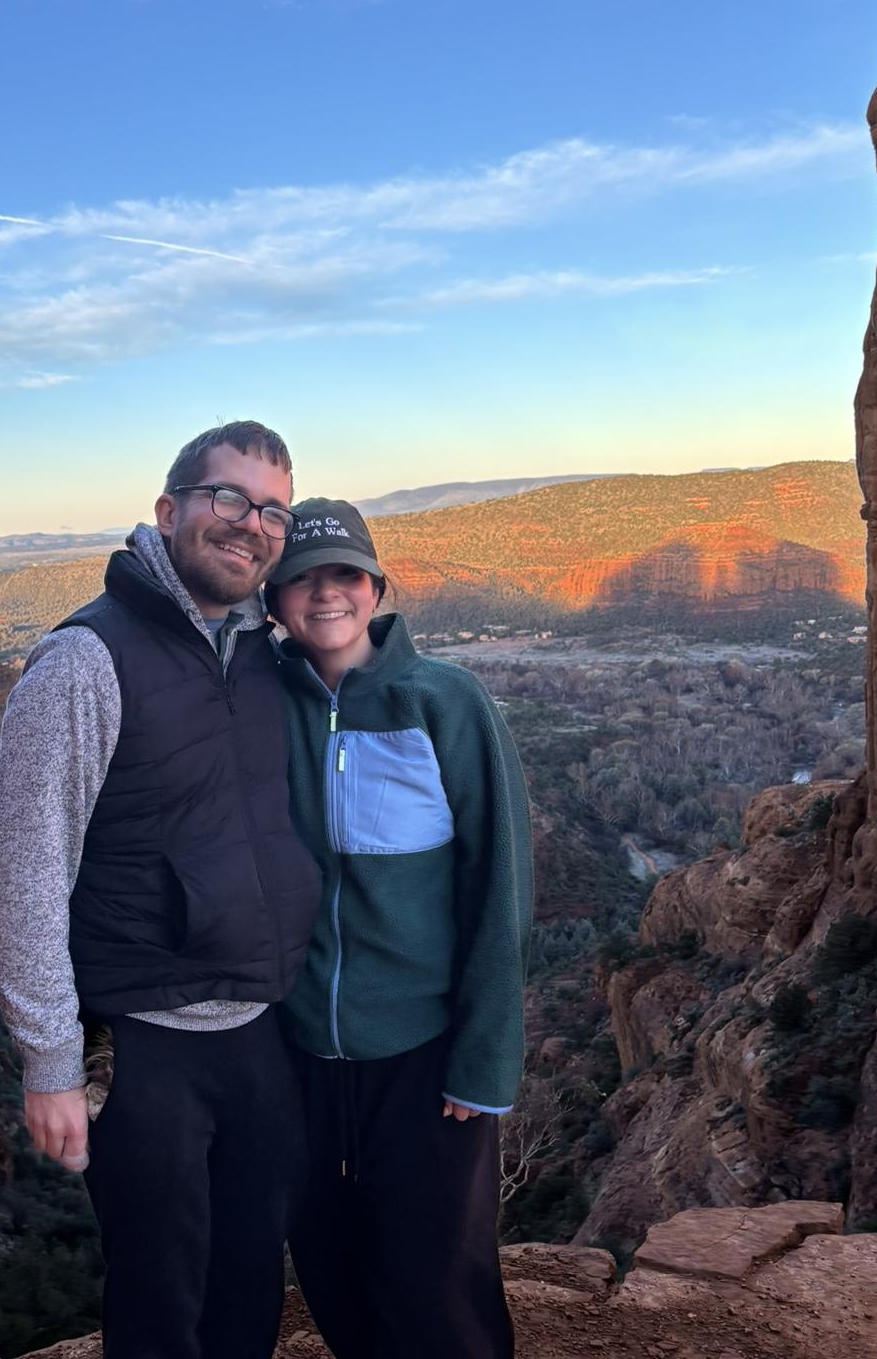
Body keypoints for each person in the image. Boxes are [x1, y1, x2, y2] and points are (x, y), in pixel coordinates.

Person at [0, 421, 322, 1359]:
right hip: (143, 1047)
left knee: (249, 1280)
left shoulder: (263, 653)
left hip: (259, 1029)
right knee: (161, 1300)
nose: (251, 524)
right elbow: (24, 871)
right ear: (169, 511)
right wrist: (51, 1062)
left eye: (274, 512)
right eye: (229, 498)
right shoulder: (85, 660)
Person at [265, 497, 533, 1359]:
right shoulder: (261, 704)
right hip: (301, 1055)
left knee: (438, 1281)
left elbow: (499, 883)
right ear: (274, 601)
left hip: (423, 1054)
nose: (326, 594)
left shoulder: (443, 702)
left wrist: (483, 1061)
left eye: (345, 574)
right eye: (302, 579)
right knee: (332, 1266)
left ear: (376, 588)